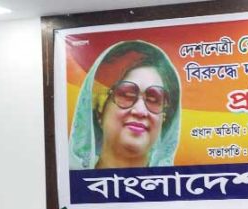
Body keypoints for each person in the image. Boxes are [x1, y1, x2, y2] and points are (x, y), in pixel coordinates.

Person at [69, 40, 181, 170]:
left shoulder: (175, 187)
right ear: (99, 108)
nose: (140, 111)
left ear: (165, 118)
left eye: (153, 99)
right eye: (127, 95)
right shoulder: (71, 183)